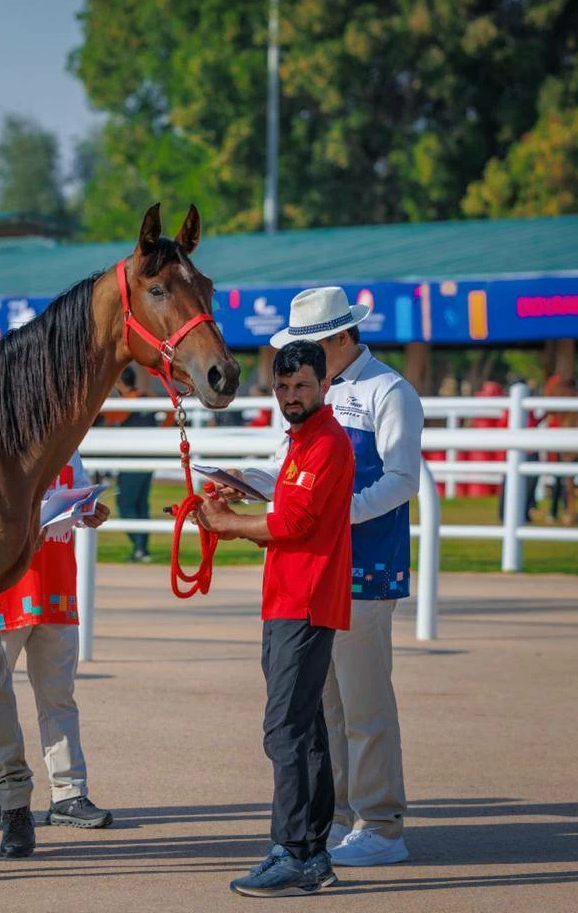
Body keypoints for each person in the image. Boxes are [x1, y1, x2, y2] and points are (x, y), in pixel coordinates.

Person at [269, 287, 422, 867]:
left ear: (337, 339)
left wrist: (337, 511)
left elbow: (403, 479)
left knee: (364, 704)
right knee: (322, 705)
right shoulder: (309, 394)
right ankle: (332, 817)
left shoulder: (389, 390)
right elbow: (288, 471)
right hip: (316, 568)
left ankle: (382, 824)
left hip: (364, 567)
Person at [195, 341, 354, 898]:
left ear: (323, 385)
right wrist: (235, 505)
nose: (291, 397)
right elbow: (289, 515)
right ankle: (311, 853)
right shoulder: (303, 442)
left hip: (305, 601)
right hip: (291, 598)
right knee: (304, 730)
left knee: (284, 730)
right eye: (283, 388)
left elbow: (293, 523)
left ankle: (291, 850)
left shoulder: (326, 443)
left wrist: (228, 522)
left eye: (302, 387)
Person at [0, 451, 111, 859]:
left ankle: (68, 793)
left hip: (56, 583)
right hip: (6, 589)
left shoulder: (72, 444)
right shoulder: (1, 438)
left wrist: (89, 512)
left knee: (59, 696)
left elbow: (74, 499)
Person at [108, 367, 156, 561]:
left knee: (125, 503)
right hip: (149, 458)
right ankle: (142, 547)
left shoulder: (124, 404)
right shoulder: (149, 398)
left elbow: (109, 420)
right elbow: (168, 419)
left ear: (119, 382)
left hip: (131, 460)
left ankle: (139, 547)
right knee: (141, 504)